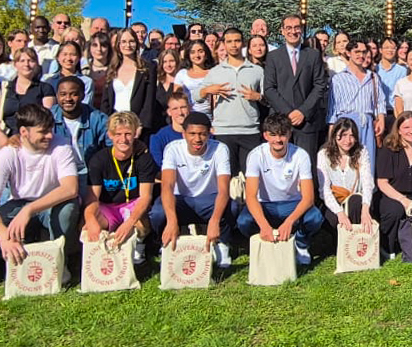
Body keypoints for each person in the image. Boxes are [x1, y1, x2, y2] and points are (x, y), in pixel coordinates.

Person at [0, 103, 80, 265]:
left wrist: (29, 210)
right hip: (18, 203)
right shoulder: (7, 155)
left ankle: (58, 257)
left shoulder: (62, 146)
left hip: (53, 202)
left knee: (67, 211)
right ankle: (24, 247)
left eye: (50, 130)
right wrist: (4, 236)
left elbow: (70, 188)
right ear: (24, 132)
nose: (50, 136)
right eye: (43, 132)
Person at [152, 111, 236, 268]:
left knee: (233, 206)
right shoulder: (172, 149)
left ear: (209, 133)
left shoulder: (220, 149)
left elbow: (224, 190)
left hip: (208, 200)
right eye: (192, 134)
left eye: (203, 134)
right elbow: (167, 186)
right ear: (183, 134)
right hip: (181, 200)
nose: (197, 139)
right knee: (157, 212)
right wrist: (171, 221)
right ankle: (164, 241)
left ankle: (222, 244)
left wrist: (214, 220)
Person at [239, 113, 323, 268]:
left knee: (315, 217)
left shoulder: (300, 155)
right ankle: (262, 243)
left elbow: (308, 198)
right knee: (244, 222)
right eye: (273, 135)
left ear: (289, 134)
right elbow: (250, 196)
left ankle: (301, 243)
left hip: (291, 202)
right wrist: (264, 225)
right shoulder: (256, 155)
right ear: (265, 136)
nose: (278, 140)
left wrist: (289, 222)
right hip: (265, 204)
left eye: (283, 135)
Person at [83, 111, 159, 263]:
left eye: (128, 134)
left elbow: (145, 197)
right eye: (118, 134)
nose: (123, 139)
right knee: (88, 226)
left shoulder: (143, 158)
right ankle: (96, 254)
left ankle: (138, 243)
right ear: (110, 135)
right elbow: (92, 198)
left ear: (135, 134)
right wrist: (90, 220)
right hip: (108, 206)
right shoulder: (99, 159)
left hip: (132, 204)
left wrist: (129, 223)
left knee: (141, 220)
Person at [262, 14, 330, 159]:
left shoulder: (313, 55)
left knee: (306, 167)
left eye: (296, 27)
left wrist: (302, 112)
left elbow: (320, 85)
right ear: (282, 31)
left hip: (306, 123)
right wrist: (288, 113)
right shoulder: (273, 56)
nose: (293, 31)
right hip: (280, 122)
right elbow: (269, 88)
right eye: (288, 28)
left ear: (302, 29)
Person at [375, 111, 412, 262]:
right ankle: (387, 245)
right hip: (393, 194)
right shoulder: (388, 150)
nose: (411, 131)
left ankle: (411, 246)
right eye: (406, 127)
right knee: (395, 211)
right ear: (399, 130)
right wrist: (403, 200)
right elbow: (382, 182)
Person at [207, 27, 265, 171]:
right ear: (224, 44)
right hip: (223, 131)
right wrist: (208, 90)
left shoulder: (257, 70)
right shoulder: (215, 72)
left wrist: (258, 96)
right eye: (230, 41)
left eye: (237, 41)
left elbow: (268, 99)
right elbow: (196, 96)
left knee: (251, 177)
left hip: (250, 131)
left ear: (243, 43)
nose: (234, 45)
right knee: (227, 178)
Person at [0, 46, 54, 154]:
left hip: (32, 142)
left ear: (36, 64)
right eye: (22, 61)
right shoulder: (2, 88)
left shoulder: (45, 89)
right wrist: (2, 138)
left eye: (31, 61)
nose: (26, 64)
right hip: (4, 141)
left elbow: (46, 117)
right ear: (15, 64)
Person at [327, 40, 386, 157]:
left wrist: (381, 120)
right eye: (357, 52)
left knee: (367, 162)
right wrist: (331, 134)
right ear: (348, 53)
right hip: (346, 124)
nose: (361, 55)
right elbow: (332, 108)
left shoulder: (373, 77)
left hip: (367, 125)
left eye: (364, 52)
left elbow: (379, 101)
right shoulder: (339, 79)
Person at [318, 116, 374, 231]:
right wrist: (340, 213)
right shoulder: (323, 154)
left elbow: (367, 183)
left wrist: (365, 209)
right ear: (335, 136)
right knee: (333, 219)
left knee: (355, 203)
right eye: (343, 135)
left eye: (351, 136)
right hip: (335, 200)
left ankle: (357, 239)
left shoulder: (362, 152)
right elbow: (324, 190)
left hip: (355, 201)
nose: (348, 141)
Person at [50, 75, 108, 175]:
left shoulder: (98, 119)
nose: (68, 98)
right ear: (57, 96)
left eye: (74, 94)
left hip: (90, 173)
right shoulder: (48, 117)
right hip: (58, 172)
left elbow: (113, 145)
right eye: (63, 94)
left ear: (83, 95)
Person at [104, 28, 157, 132]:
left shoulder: (148, 69)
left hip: (136, 124)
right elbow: (105, 101)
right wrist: (106, 124)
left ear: (136, 44)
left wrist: (141, 125)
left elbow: (149, 101)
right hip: (115, 123)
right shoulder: (112, 69)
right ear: (118, 45)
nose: (127, 45)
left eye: (131, 41)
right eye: (123, 42)